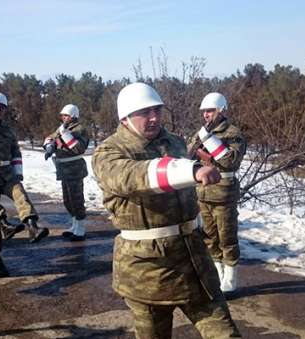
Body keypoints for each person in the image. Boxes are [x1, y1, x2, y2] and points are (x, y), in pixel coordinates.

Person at [92, 83, 240, 338]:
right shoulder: (108, 152)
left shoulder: (174, 142)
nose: (154, 118)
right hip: (148, 271)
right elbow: (131, 176)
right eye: (145, 112)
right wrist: (189, 170)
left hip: (194, 262)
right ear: (125, 117)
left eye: (157, 111)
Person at [0, 92, 48, 278]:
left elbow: (15, 152)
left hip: (6, 174)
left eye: (1, 108)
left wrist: (18, 174)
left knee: (20, 193)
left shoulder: (7, 130)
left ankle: (32, 225)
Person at [187, 92, 247, 294]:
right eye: (204, 111)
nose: (206, 115)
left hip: (223, 194)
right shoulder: (201, 132)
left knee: (227, 236)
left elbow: (231, 161)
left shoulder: (232, 133)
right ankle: (218, 275)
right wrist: (198, 144)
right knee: (209, 237)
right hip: (202, 193)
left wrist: (208, 152)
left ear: (221, 110)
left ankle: (230, 280)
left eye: (210, 111)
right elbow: (187, 152)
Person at [43, 104, 89, 241]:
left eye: (66, 115)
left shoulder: (80, 129)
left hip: (75, 169)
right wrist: (49, 145)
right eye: (62, 115)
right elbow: (49, 137)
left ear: (73, 116)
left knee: (76, 199)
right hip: (63, 169)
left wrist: (64, 134)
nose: (63, 118)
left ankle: (80, 228)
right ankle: (74, 225)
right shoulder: (63, 128)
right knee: (67, 200)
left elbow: (78, 148)